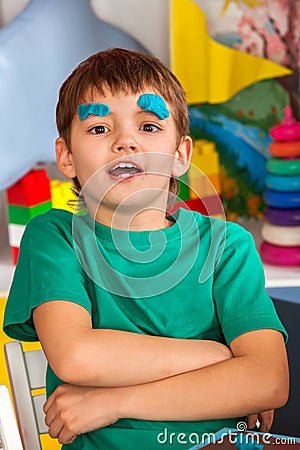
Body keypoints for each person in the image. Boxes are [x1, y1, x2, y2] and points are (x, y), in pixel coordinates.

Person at [3, 48, 289, 450]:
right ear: (66, 157)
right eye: (100, 129)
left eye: (149, 126)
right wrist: (220, 358)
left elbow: (268, 380)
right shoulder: (55, 237)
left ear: (180, 156)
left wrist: (112, 402)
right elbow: (76, 357)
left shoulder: (227, 246)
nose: (126, 141)